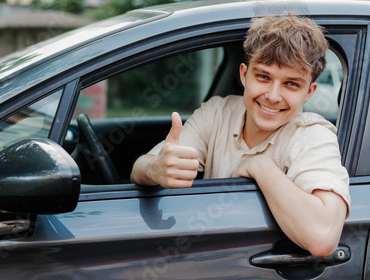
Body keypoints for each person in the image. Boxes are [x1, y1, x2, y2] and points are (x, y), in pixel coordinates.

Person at [131, 14, 350, 258]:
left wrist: (260, 167)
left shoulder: (312, 136)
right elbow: (139, 168)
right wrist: (156, 168)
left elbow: (323, 239)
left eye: (291, 84)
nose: (273, 96)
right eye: (264, 77)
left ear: (309, 92)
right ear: (244, 74)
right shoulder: (217, 111)